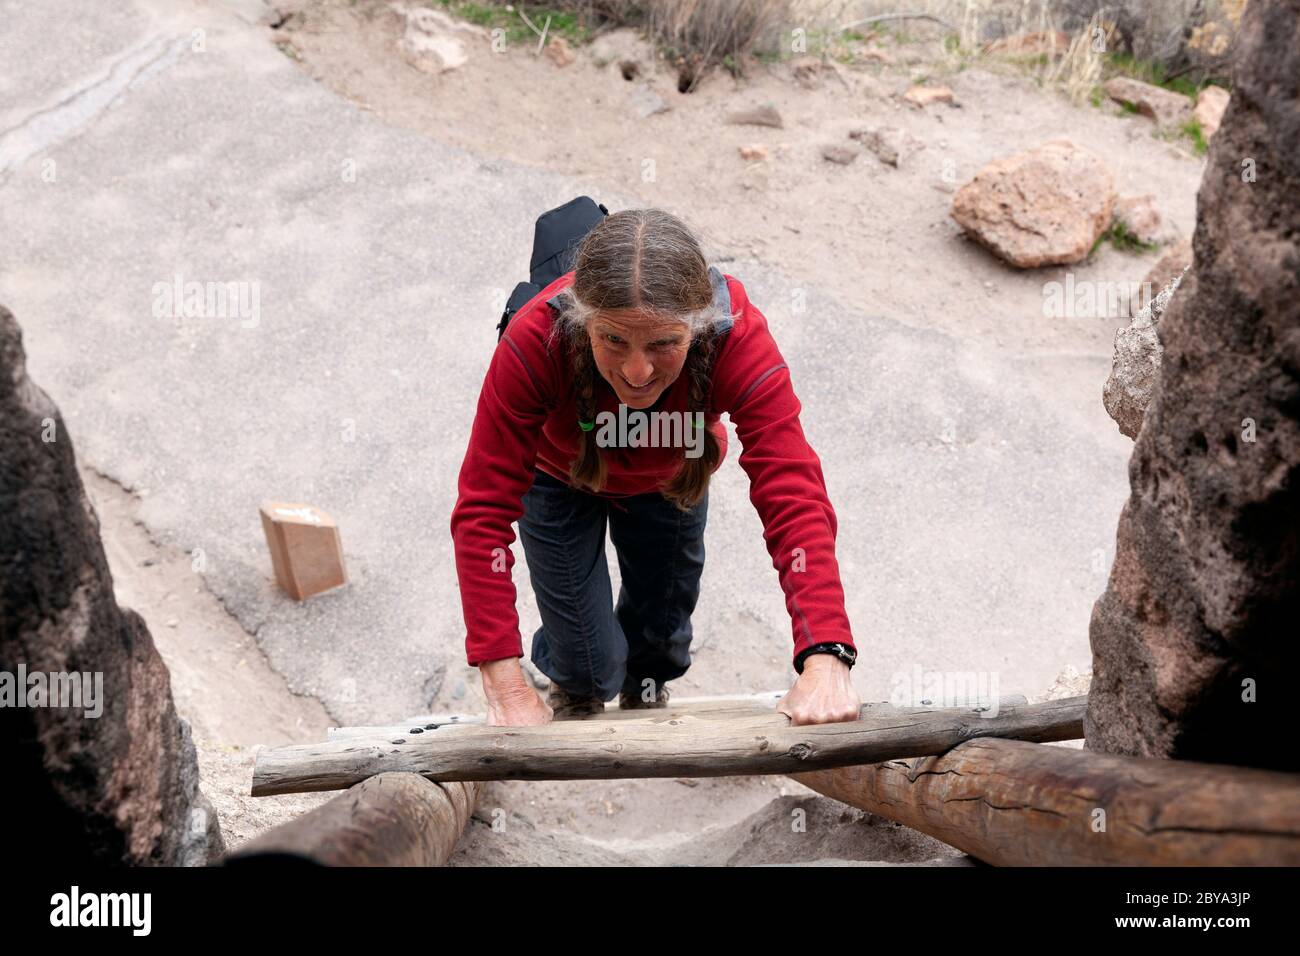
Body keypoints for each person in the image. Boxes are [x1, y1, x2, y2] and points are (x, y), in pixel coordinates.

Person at [450, 208, 861, 726]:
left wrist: (827, 652)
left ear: (697, 325)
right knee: (588, 668)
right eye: (613, 340)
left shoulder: (737, 335)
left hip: (672, 476)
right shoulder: (536, 336)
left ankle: (645, 690)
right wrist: (503, 682)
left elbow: (792, 488)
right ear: (582, 318)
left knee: (663, 640)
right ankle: (578, 685)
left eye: (664, 343)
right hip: (559, 477)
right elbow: (483, 507)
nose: (637, 371)